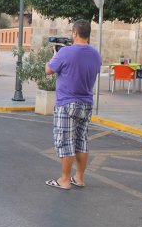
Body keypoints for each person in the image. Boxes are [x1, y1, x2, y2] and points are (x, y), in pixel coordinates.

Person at [44, 19, 102, 190]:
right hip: (86, 103)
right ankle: (80, 178)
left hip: (67, 103)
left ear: (75, 33)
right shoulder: (96, 54)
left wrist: (55, 55)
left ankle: (65, 180)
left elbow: (48, 70)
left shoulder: (65, 52)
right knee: (81, 141)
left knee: (65, 142)